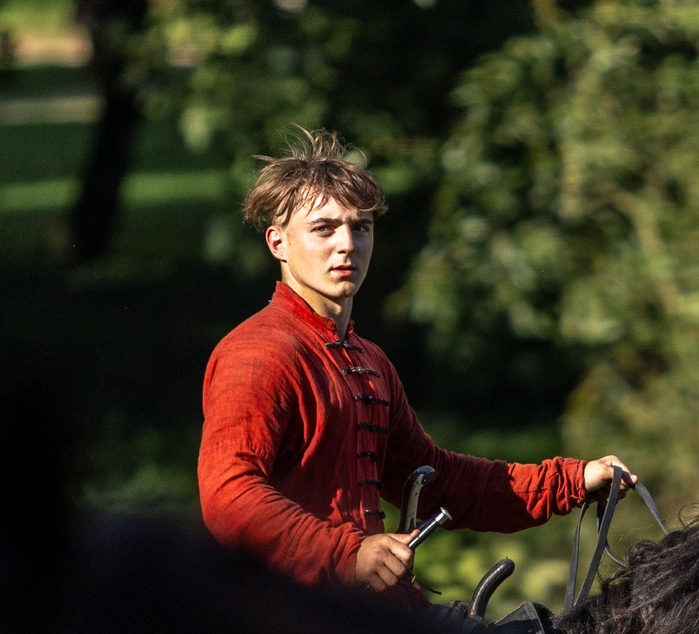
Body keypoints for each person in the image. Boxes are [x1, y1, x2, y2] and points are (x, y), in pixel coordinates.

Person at [199, 130, 631, 605]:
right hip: (295, 626)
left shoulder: (369, 359)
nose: (347, 244)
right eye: (324, 228)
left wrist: (572, 480)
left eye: (361, 227)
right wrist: (349, 554)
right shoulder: (258, 352)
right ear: (278, 242)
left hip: (372, 617)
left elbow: (437, 481)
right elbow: (229, 497)